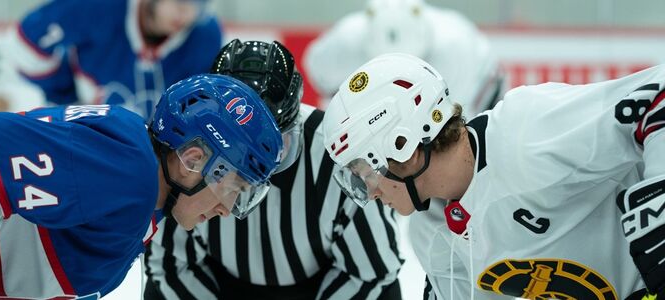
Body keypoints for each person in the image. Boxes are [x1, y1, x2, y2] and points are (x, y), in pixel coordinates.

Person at [0, 74, 284, 299]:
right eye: (233, 187)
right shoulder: (130, 169)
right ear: (193, 160)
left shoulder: (140, 203)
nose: (227, 209)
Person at [321, 52, 665, 299]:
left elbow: (657, 97)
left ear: (404, 147)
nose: (370, 192)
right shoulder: (431, 235)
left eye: (364, 171)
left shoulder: (526, 130)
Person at [144, 40, 403, 299]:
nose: (262, 163)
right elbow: (170, 268)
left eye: (275, 145)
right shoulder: (190, 163)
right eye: (244, 148)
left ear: (295, 122)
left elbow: (373, 272)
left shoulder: (337, 151)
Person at [6, 0, 222, 120]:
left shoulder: (205, 35)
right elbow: (27, 44)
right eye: (180, 1)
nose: (187, 13)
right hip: (87, 143)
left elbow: (200, 110)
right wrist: (65, 97)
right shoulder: (100, 8)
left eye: (199, 3)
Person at [303, 0, 502, 118]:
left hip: (485, 87)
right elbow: (324, 88)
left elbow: (456, 120)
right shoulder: (344, 43)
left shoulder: (457, 48)